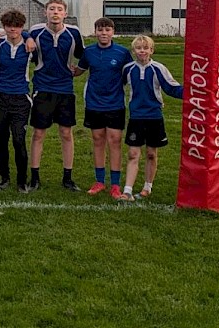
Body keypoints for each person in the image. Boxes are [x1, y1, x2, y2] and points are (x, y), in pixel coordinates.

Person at [27, 0, 85, 191]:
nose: (55, 12)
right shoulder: (35, 31)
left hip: (65, 89)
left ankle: (67, 178)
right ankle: (35, 178)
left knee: (66, 133)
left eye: (59, 9)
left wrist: (79, 70)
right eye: (51, 9)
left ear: (65, 14)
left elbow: (84, 55)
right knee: (38, 133)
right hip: (42, 88)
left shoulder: (73, 33)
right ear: (45, 12)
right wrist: (27, 37)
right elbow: (17, 33)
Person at [119, 35, 184, 200]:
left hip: (154, 116)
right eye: (138, 48)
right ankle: (127, 191)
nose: (142, 51)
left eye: (145, 48)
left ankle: (147, 187)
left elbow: (171, 88)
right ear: (133, 51)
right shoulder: (128, 69)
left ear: (151, 50)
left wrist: (194, 91)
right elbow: (115, 86)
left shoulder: (158, 68)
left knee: (151, 153)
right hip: (136, 117)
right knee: (133, 153)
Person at [77, 16, 133, 200]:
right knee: (98, 139)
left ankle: (115, 184)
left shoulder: (122, 52)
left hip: (115, 103)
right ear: (95, 32)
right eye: (100, 30)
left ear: (113, 32)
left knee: (115, 141)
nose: (103, 33)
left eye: (107, 30)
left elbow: (130, 74)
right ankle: (99, 181)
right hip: (94, 103)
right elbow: (79, 70)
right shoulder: (89, 52)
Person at [0, 9, 34, 192]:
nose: (13, 29)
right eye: (9, 26)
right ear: (4, 27)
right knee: (1, 139)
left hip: (20, 97)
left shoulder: (30, 47)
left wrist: (28, 36)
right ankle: (4, 177)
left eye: (17, 26)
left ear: (22, 27)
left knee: (19, 139)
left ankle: (22, 181)